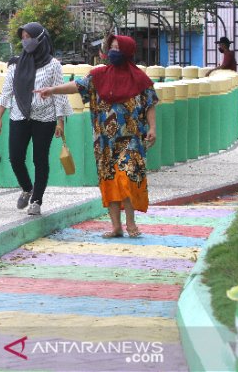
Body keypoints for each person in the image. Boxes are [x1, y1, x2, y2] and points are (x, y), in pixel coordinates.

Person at [35, 34, 157, 238]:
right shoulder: (98, 75)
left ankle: (131, 224)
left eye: (118, 48)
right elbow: (77, 86)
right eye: (112, 47)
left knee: (126, 178)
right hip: (104, 142)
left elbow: (150, 104)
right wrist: (53, 90)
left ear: (127, 52)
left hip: (131, 139)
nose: (113, 51)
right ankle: (116, 226)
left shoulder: (140, 79)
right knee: (109, 180)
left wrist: (153, 128)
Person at [0, 22, 72, 216]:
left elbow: (60, 94)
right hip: (19, 115)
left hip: (45, 118)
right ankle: (27, 188)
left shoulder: (53, 65)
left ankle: (36, 200)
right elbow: (7, 91)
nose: (25, 41)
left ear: (40, 39)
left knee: (40, 159)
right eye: (23, 37)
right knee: (16, 157)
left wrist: (60, 122)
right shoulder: (15, 64)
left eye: (29, 37)